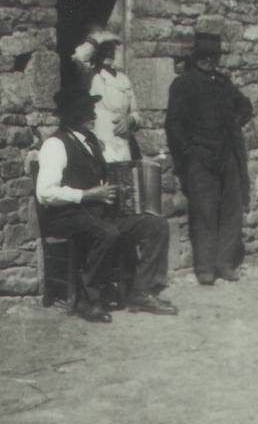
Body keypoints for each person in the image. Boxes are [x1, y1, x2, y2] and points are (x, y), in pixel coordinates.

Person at [35, 89, 175, 322]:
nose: (92, 115)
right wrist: (87, 194)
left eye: (91, 109)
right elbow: (45, 193)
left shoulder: (91, 141)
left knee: (155, 225)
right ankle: (88, 300)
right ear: (71, 116)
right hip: (66, 216)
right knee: (108, 233)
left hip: (96, 212)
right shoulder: (55, 145)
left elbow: (105, 172)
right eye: (86, 111)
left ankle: (141, 291)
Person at [165, 32, 253, 286]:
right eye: (205, 57)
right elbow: (174, 124)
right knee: (204, 210)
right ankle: (204, 267)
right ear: (196, 58)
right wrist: (190, 151)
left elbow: (245, 105)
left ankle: (224, 263)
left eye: (213, 57)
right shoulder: (183, 84)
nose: (209, 61)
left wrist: (234, 123)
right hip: (201, 157)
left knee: (231, 209)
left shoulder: (223, 83)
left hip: (227, 155)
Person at [72, 29, 141, 164]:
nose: (108, 52)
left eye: (111, 48)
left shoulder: (123, 79)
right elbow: (77, 57)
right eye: (104, 48)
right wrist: (96, 39)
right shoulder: (90, 75)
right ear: (96, 51)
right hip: (100, 143)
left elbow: (136, 113)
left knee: (124, 182)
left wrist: (130, 120)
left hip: (123, 145)